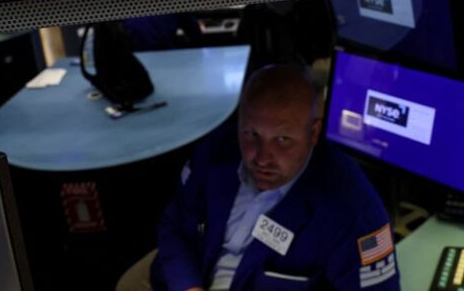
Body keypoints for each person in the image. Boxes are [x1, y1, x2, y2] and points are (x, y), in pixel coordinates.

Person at [118, 64, 399, 291]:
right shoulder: (215, 152)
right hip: (193, 275)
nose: (262, 158)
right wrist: (187, 285)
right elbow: (175, 226)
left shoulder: (354, 210)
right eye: (251, 134)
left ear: (313, 133)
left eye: (282, 140)